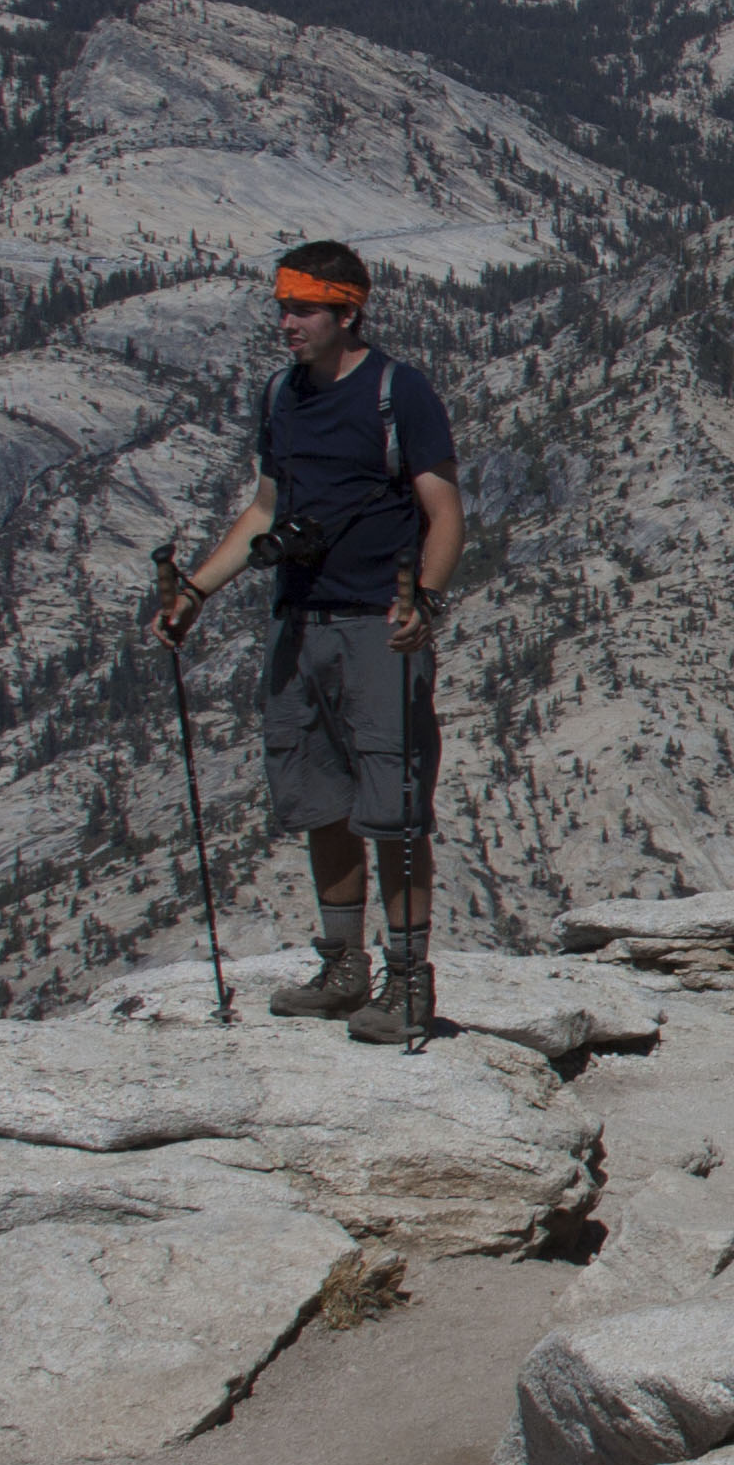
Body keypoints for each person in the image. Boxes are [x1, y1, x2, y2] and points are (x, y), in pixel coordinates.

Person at [151, 242, 466, 1046]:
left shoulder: (398, 393)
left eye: (303, 310)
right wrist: (195, 594)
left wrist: (425, 601)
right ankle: (343, 965)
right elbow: (265, 509)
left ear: (347, 312)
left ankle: (407, 981)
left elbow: (444, 513)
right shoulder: (281, 395)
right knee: (320, 799)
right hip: (299, 622)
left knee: (393, 808)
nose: (287, 323)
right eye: (283, 308)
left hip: (376, 627)